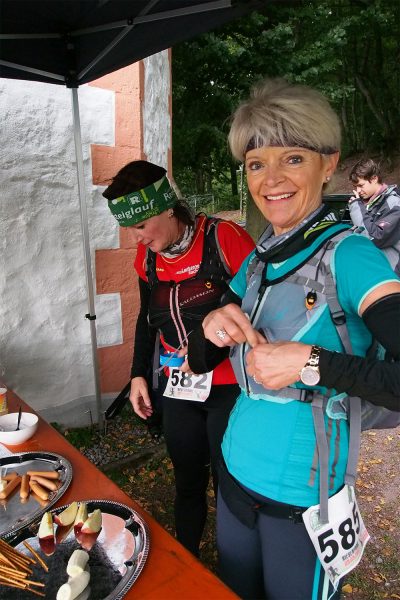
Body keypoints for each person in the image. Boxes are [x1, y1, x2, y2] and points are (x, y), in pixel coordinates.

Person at [186, 79, 400, 599]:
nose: (271, 179)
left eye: (294, 159)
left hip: (304, 502)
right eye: (257, 163)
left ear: (330, 164)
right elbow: (198, 359)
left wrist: (313, 363)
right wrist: (211, 326)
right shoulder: (263, 254)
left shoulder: (352, 256)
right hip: (234, 477)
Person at [102, 160, 255, 556]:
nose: (136, 238)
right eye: (130, 230)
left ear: (169, 209)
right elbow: (145, 317)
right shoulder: (148, 259)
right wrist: (138, 374)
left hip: (230, 386)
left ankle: (233, 563)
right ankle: (186, 562)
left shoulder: (226, 239)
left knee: (229, 483)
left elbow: (257, 311)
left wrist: (207, 353)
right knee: (187, 480)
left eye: (140, 226)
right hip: (179, 387)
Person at [348, 158, 400, 274]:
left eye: (361, 185)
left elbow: (374, 237)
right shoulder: (369, 202)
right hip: (374, 267)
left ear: (374, 178)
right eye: (355, 186)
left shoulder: (393, 203)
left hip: (390, 273)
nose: (358, 190)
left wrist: (356, 207)